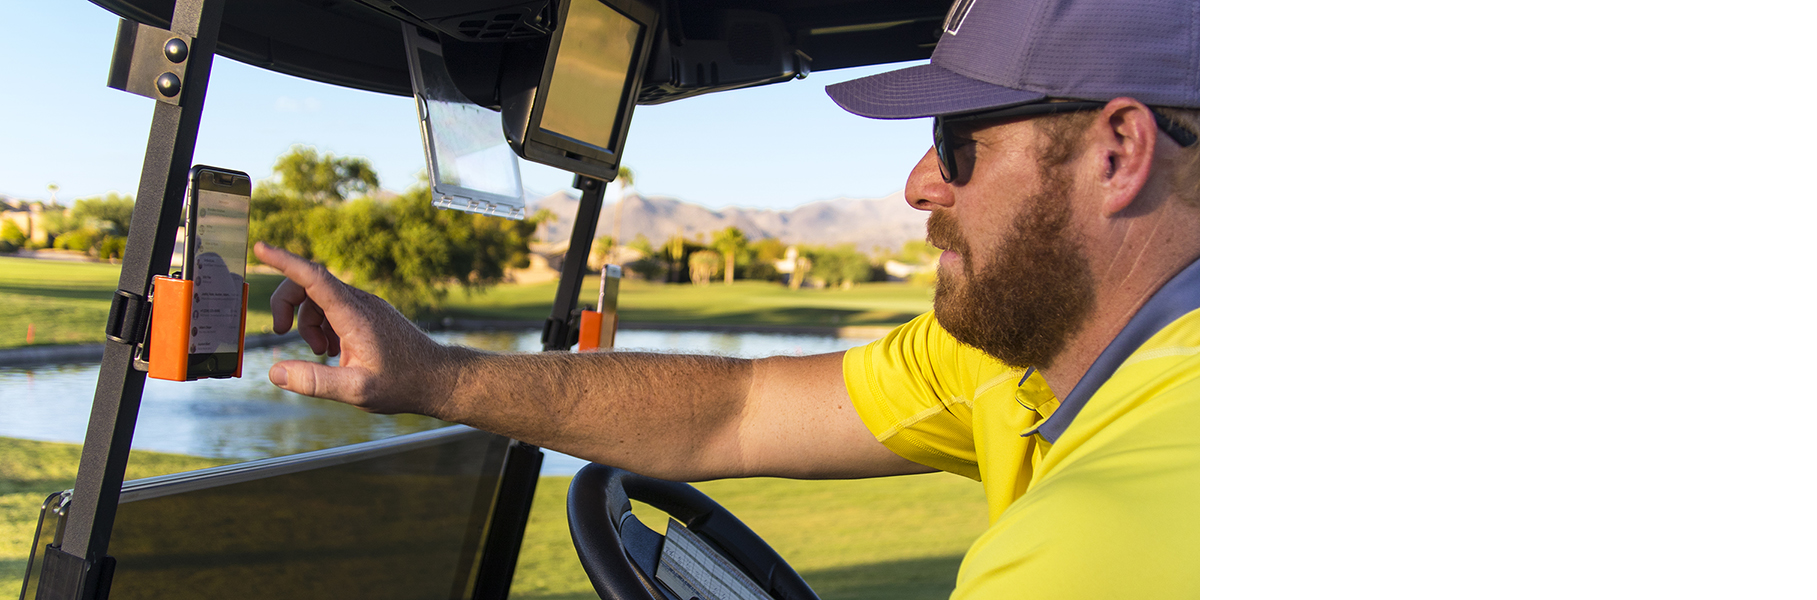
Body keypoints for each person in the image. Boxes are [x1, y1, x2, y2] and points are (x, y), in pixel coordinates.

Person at [251, 0, 1198, 596]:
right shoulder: (1012, 357)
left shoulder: (1094, 547)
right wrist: (431, 374)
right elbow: (737, 410)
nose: (918, 185)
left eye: (957, 143)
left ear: (1117, 153)